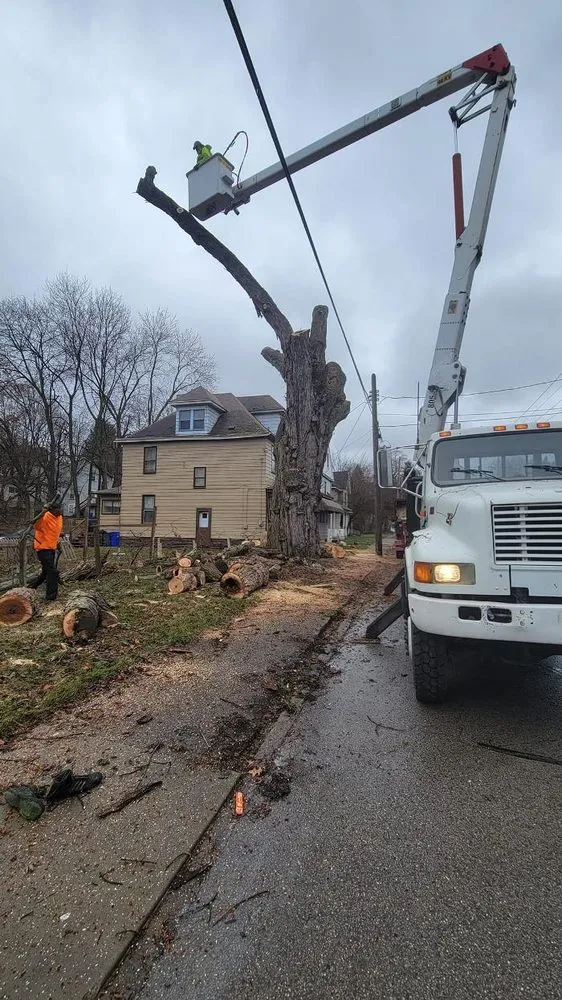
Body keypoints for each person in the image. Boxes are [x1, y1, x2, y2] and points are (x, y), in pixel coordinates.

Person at [32, 498, 63, 601]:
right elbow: (37, 526)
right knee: (52, 572)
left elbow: (55, 533)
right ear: (50, 510)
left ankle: (31, 587)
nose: (58, 511)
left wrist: (58, 544)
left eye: (59, 508)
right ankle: (51, 598)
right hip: (42, 548)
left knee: (46, 572)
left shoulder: (59, 518)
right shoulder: (45, 517)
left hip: (52, 548)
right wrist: (41, 513)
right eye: (56, 509)